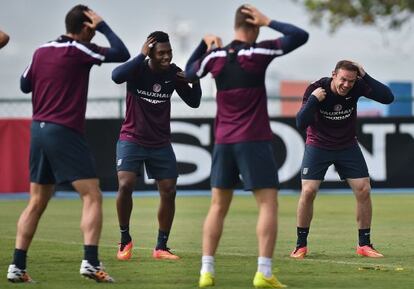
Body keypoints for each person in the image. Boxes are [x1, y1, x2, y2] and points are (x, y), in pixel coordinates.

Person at [185, 4, 308, 288]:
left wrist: (205, 46)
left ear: (234, 26)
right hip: (253, 139)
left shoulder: (214, 57)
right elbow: (299, 35)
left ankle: (206, 271)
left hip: (224, 142)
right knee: (267, 204)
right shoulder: (258, 52)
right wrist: (270, 21)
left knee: (217, 206)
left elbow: (189, 73)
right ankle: (263, 272)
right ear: (254, 26)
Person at [6, 4, 130, 283]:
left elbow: (25, 85)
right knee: (92, 196)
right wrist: (104, 26)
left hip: (37, 130)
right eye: (93, 29)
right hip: (64, 130)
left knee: (36, 200)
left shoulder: (41, 50)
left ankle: (17, 266)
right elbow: (122, 53)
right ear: (87, 27)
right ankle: (91, 261)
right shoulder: (81, 50)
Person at [290, 60, 394, 259]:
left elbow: (388, 98)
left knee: (364, 189)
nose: (347, 85)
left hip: (347, 145)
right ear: (334, 75)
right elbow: (301, 122)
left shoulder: (358, 85)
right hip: (318, 144)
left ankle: (364, 244)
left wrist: (366, 75)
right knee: (309, 191)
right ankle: (300, 245)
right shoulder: (316, 89)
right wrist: (313, 101)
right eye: (343, 80)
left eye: (351, 81)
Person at [112, 31, 201, 261]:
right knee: (125, 184)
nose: (167, 57)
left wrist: (197, 82)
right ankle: (125, 239)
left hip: (160, 142)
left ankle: (161, 247)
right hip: (132, 137)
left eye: (169, 52)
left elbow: (194, 102)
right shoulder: (137, 69)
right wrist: (139, 55)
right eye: (161, 52)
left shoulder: (173, 73)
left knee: (169, 191)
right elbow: (116, 76)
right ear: (150, 53)